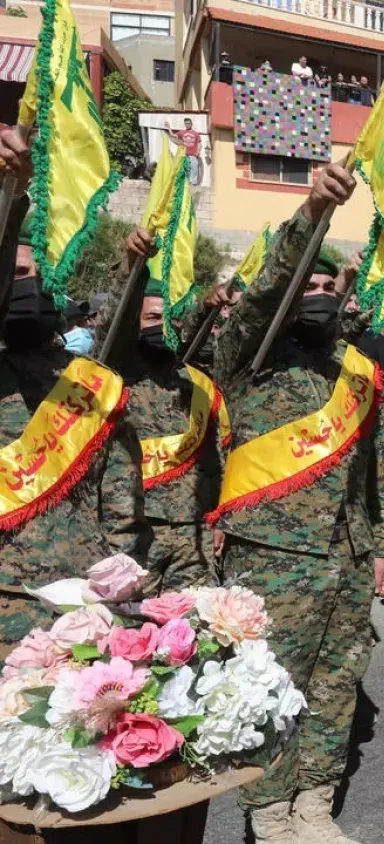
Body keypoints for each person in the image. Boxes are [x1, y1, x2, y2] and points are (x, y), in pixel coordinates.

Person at [211, 164, 384, 844]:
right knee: (269, 687)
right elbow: (261, 297)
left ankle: (314, 806)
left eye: (329, 287)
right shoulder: (249, 355)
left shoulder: (353, 370)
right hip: (274, 557)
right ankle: (268, 812)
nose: (319, 297)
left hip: (346, 555)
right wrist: (314, 208)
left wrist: (380, 546)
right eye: (308, 287)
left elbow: (377, 469)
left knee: (336, 684)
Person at [0, 143, 151, 645]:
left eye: (39, 276)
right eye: (16, 274)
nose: (30, 286)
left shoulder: (87, 380)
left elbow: (120, 501)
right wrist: (11, 193)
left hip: (72, 611)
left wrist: (115, 592)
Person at [105, 248, 228, 594]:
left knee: (191, 633)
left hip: (193, 532)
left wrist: (220, 517)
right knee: (126, 635)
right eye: (152, 318)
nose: (164, 327)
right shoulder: (115, 374)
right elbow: (113, 321)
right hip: (134, 531)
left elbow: (217, 458)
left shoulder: (196, 382)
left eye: (170, 319)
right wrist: (131, 264)